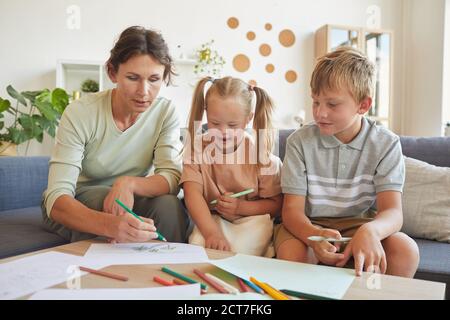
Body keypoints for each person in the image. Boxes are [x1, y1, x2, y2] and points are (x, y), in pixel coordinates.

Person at [275, 47, 419, 277]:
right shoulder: (299, 142)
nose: (320, 113)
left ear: (363, 105)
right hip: (309, 224)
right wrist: (314, 236)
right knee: (294, 254)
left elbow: (393, 211)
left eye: (332, 104)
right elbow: (291, 212)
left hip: (360, 224)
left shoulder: (386, 143)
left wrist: (370, 231)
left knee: (405, 250)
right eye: (315, 102)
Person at [42, 26, 190, 243]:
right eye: (133, 78)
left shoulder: (165, 112)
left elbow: (172, 177)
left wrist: (128, 184)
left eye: (154, 79)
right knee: (107, 201)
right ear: (112, 72)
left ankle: (174, 269)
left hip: (128, 198)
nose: (144, 91)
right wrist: (110, 226)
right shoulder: (81, 113)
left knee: (169, 205)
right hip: (74, 204)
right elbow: (56, 198)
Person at [180, 76, 283, 256]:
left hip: (252, 220)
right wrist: (212, 233)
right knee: (198, 246)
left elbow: (276, 204)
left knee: (239, 251)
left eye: (233, 125)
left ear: (248, 119)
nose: (223, 132)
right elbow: (192, 194)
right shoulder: (196, 148)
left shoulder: (260, 155)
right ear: (206, 114)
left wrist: (240, 208)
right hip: (211, 219)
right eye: (215, 123)